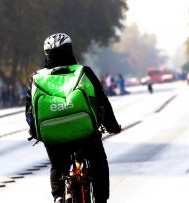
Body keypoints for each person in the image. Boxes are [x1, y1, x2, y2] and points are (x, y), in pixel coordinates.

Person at [25, 33, 121, 203]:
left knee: (57, 165)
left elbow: (30, 112)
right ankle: (100, 200)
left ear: (47, 55)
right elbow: (102, 102)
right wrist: (112, 126)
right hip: (86, 136)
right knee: (98, 162)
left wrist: (35, 132)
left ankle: (58, 196)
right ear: (70, 50)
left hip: (54, 137)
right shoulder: (83, 72)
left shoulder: (37, 79)